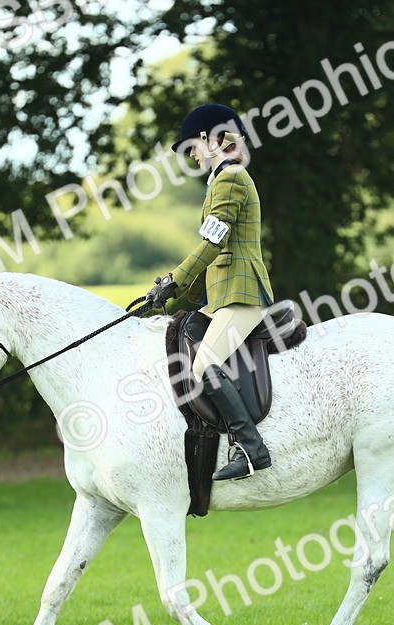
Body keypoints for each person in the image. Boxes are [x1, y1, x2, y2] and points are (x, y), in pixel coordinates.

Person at [147, 103, 275, 481]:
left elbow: (213, 241)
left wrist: (176, 279)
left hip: (243, 292)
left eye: (192, 146)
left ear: (210, 138)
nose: (191, 154)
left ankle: (251, 449)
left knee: (204, 365)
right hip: (222, 296)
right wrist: (172, 293)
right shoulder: (221, 179)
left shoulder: (231, 177)